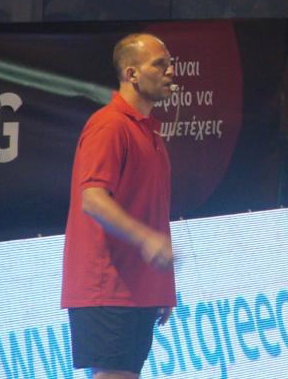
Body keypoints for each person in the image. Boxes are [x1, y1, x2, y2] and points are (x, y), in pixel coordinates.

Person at [61, 33, 176, 379]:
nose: (170, 71)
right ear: (131, 74)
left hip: (139, 287)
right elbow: (93, 199)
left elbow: (152, 211)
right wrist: (146, 239)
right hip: (107, 287)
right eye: (160, 64)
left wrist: (161, 285)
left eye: (170, 63)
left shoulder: (149, 132)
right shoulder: (109, 125)